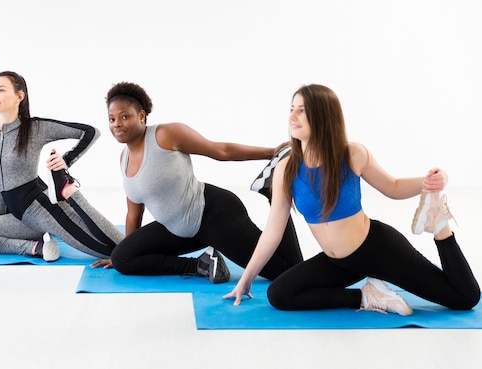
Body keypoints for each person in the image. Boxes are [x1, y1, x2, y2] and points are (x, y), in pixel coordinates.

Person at [224, 84, 480, 315]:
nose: (292, 117)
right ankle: (367, 296)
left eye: (301, 110)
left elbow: (392, 186)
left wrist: (430, 183)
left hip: (379, 250)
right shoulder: (286, 168)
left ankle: (439, 226)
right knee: (279, 295)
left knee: (465, 297)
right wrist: (246, 279)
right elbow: (272, 232)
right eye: (292, 109)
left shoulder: (352, 154)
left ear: (323, 115)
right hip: (338, 262)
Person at [92, 82, 303, 284]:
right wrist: (130, 249)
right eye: (111, 119)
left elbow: (220, 151)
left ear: (141, 116)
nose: (117, 124)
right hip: (179, 230)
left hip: (214, 216)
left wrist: (270, 153)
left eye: (124, 116)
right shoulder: (124, 158)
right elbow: (134, 213)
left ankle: (274, 192)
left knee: (287, 270)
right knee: (121, 259)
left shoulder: (165, 135)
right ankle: (202, 265)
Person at [0, 71, 124, 262]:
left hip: (43, 210)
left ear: (19, 96)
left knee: (111, 251)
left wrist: (66, 161)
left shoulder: (35, 128)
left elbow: (90, 132)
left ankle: (66, 194)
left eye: (1, 90)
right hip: (20, 217)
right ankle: (36, 248)